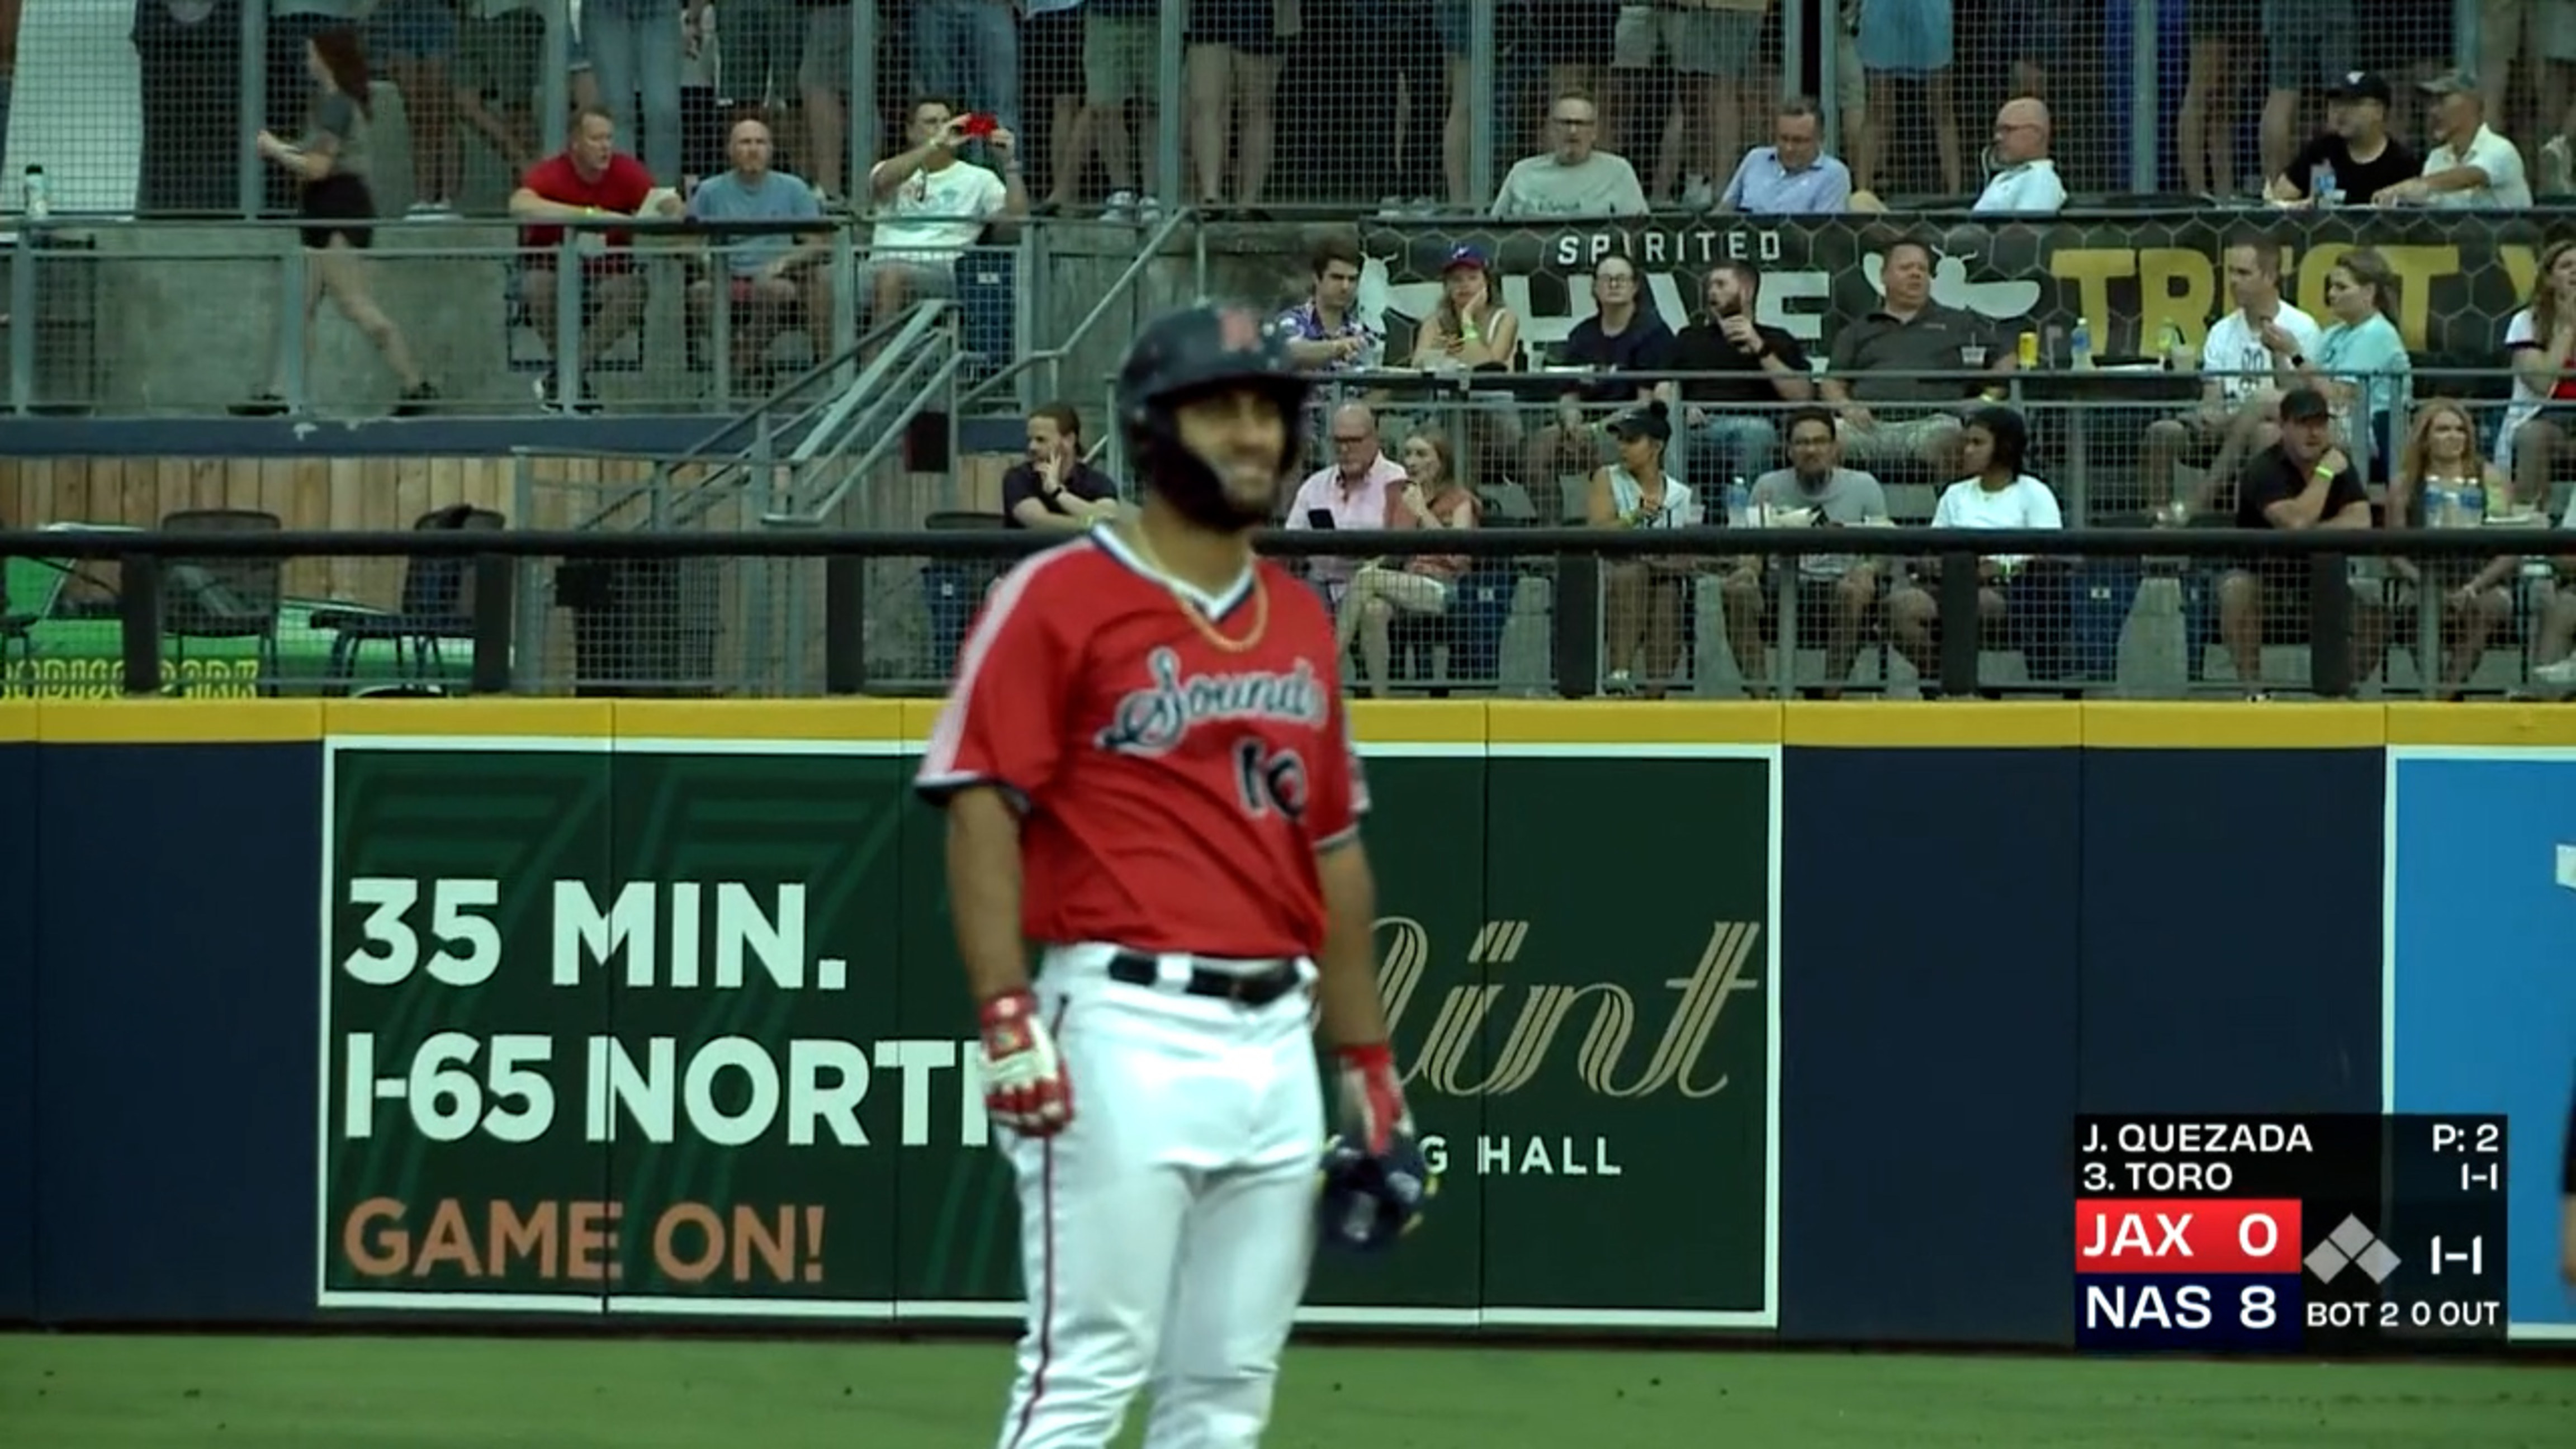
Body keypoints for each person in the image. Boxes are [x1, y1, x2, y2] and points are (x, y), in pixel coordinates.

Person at [914, 301, 1413, 1449]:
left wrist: (1371, 1068)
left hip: (1276, 1042)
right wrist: (1004, 1016)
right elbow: (982, 799)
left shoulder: (1297, 616)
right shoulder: (1058, 594)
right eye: (1221, 409)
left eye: (1268, 412)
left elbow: (1333, 851)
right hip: (1119, 1026)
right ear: (1150, 433)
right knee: (1083, 1378)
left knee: (1228, 1395)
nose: (1252, 435)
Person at [236, 26, 435, 417]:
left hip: (339, 209)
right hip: (321, 209)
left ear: (328, 58)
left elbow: (317, 167)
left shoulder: (338, 105)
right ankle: (281, 394)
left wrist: (276, 150)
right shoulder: (329, 103)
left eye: (312, 53)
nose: (307, 60)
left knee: (356, 303)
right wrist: (286, 151)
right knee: (301, 306)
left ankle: (416, 383)